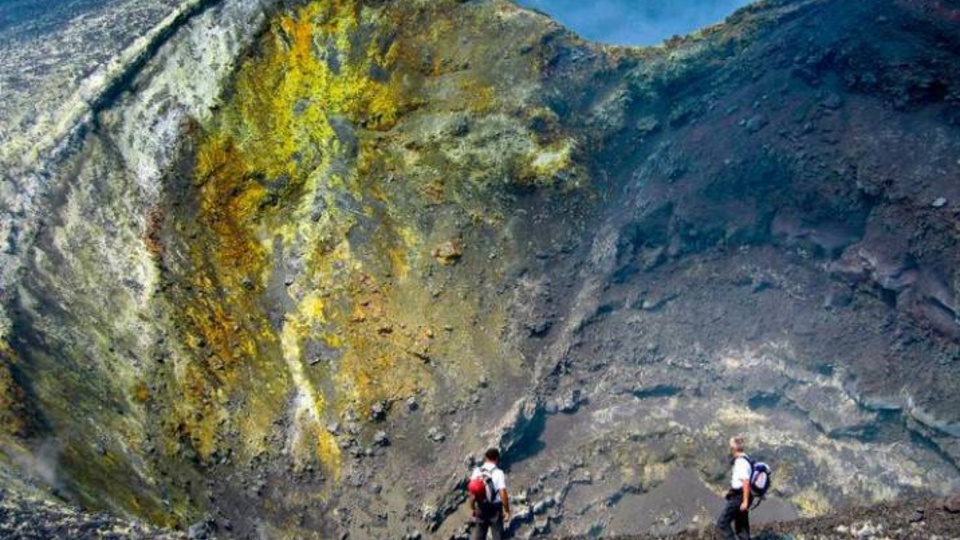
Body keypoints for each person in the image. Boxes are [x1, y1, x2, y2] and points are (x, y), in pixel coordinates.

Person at [469, 448, 511, 540]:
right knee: (498, 536)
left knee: (479, 536)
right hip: (495, 509)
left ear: (485, 457)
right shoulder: (499, 473)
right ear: (497, 458)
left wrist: (473, 508)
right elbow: (503, 493)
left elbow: (472, 493)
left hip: (481, 507)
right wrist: (507, 510)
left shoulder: (477, 471)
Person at [716, 436, 752, 540]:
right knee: (741, 525)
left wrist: (744, 501)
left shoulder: (741, 462)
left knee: (722, 523)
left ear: (733, 448)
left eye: (730, 446)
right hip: (742, 495)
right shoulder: (746, 458)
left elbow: (745, 482)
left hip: (739, 497)